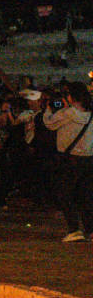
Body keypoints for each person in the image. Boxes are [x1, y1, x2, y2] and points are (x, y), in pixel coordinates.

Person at [42, 83, 93, 242]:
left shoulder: (69, 112)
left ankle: (74, 229)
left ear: (71, 96)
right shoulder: (90, 114)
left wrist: (49, 109)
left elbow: (49, 124)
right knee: (86, 195)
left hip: (70, 159)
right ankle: (91, 230)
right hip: (88, 158)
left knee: (64, 193)